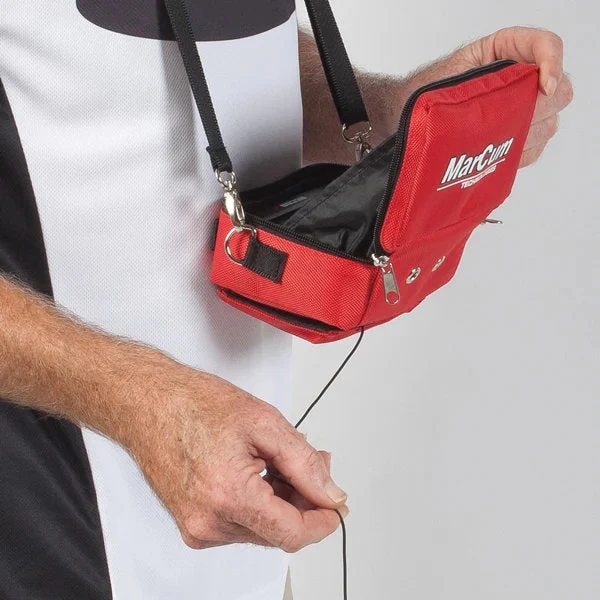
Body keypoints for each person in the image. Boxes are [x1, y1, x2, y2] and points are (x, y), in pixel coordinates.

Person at [0, 2, 573, 599]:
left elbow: (212, 56)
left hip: (243, 541)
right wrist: (143, 402)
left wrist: (387, 114)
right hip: (48, 537)